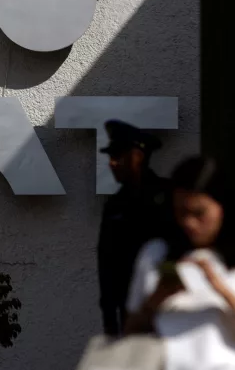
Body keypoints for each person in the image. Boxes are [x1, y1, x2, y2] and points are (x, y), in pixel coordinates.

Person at [123, 155, 235, 370]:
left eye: (199, 213)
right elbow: (129, 333)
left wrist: (223, 290)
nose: (189, 223)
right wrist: (156, 300)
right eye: (181, 212)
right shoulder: (156, 252)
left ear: (222, 207)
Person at [97, 119, 179, 337]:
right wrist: (109, 318)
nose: (112, 163)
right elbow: (106, 264)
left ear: (138, 156)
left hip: (170, 310)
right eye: (111, 157)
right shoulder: (114, 205)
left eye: (118, 156)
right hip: (130, 313)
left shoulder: (169, 196)